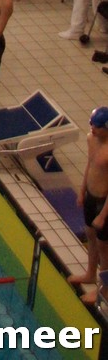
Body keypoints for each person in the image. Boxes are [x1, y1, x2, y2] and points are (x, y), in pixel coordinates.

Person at [69, 107, 108, 304]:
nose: (92, 128)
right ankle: (90, 274)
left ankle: (105, 291)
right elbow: (90, 164)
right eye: (91, 124)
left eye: (97, 126)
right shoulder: (90, 138)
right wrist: (82, 190)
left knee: (104, 248)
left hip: (104, 204)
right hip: (91, 198)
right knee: (91, 237)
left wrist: (103, 216)